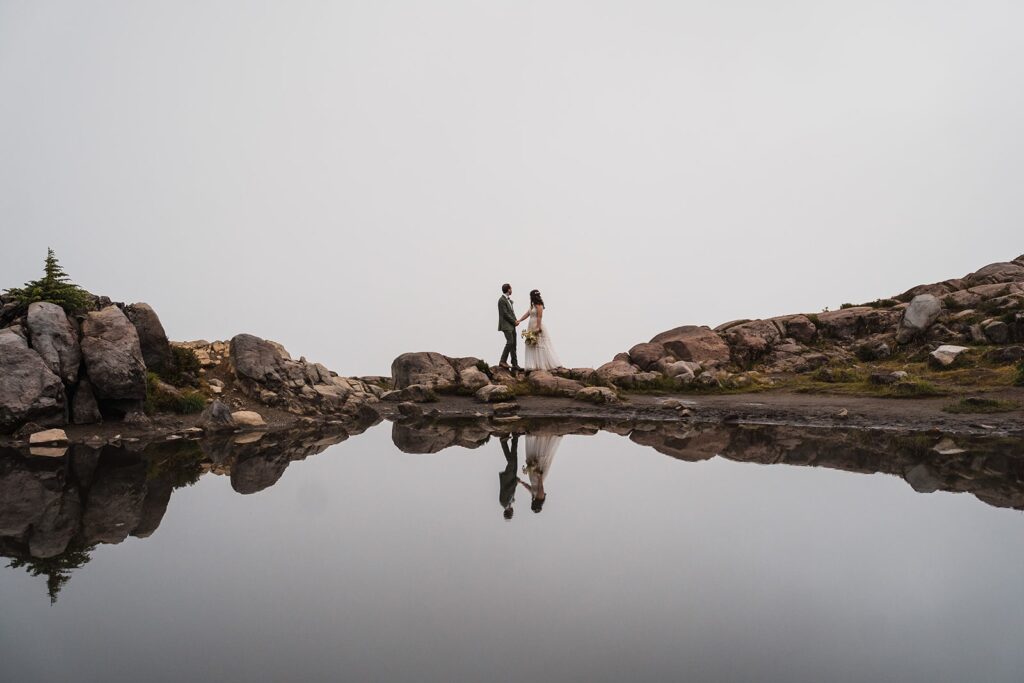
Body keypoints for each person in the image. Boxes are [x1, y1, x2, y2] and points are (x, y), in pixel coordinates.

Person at [517, 289, 561, 371]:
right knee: (532, 344)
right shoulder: (532, 305)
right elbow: (527, 314)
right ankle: (534, 364)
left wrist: (538, 327)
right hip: (531, 325)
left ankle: (543, 364)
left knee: (540, 344)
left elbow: (540, 316)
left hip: (537, 324)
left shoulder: (539, 305)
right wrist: (519, 320)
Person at [517, 434, 561, 513]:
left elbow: (530, 488)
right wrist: (539, 475)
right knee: (539, 457)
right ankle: (543, 437)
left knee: (533, 458)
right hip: (537, 477)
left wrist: (521, 482)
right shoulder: (540, 497)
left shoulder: (534, 497)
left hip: (533, 478)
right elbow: (541, 486)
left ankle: (538, 436)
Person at [497, 283, 522, 372]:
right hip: (506, 325)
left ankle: (515, 364)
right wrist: (513, 321)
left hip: (512, 325)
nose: (512, 290)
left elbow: (511, 312)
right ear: (508, 289)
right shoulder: (501, 300)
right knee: (510, 342)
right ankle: (502, 361)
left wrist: (516, 321)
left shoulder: (509, 300)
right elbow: (505, 314)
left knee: (514, 344)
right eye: (511, 288)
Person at [498, 433, 519, 520]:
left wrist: (515, 482)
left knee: (511, 462)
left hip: (508, 478)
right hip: (512, 476)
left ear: (509, 512)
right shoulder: (510, 501)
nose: (513, 512)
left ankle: (503, 442)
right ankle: (515, 437)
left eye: (511, 513)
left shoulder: (503, 502)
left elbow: (506, 489)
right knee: (514, 457)